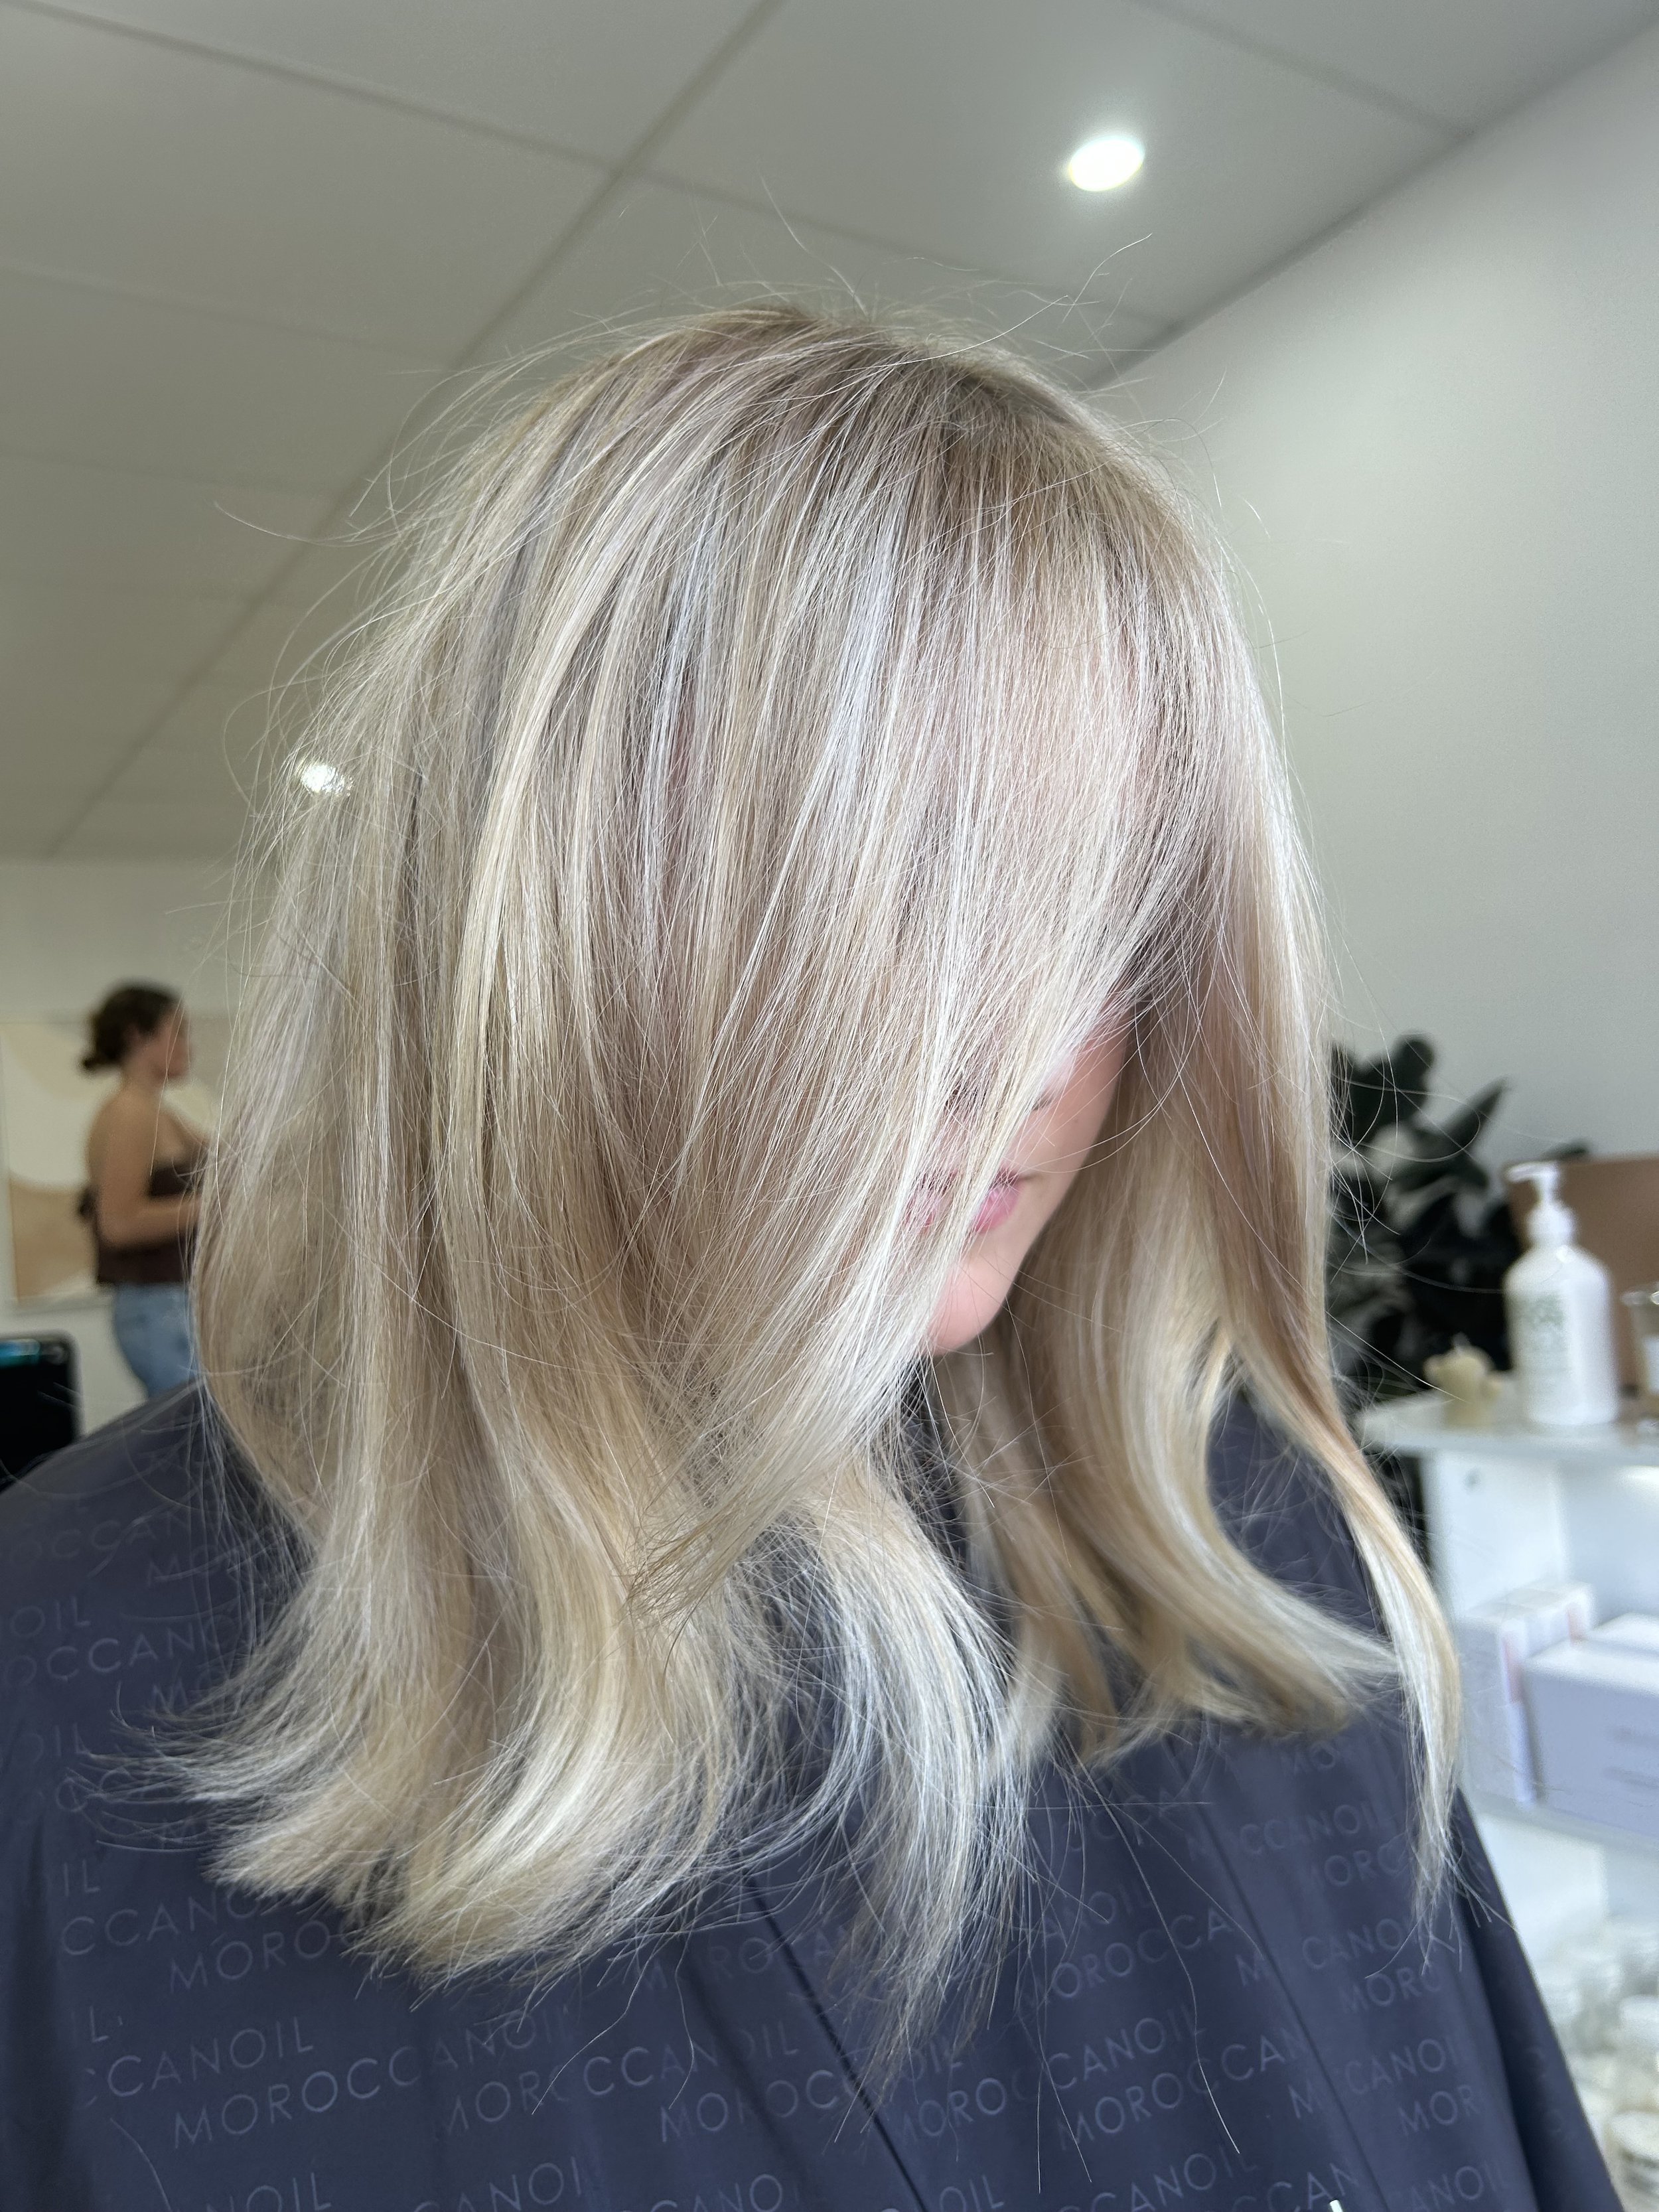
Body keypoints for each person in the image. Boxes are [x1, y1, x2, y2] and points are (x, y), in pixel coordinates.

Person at [0, 309, 1613, 2209]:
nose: (1014, 1054)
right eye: (878, 890)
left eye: (1107, 917)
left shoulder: (1243, 1522)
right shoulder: (72, 1662)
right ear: (524, 908)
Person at [78, 982, 204, 1396]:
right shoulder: (130, 1115)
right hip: (159, 1308)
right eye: (179, 1031)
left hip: (172, 1305)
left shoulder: (156, 1111)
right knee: (189, 1448)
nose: (188, 1045)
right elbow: (118, 1223)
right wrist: (215, 1207)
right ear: (138, 1035)